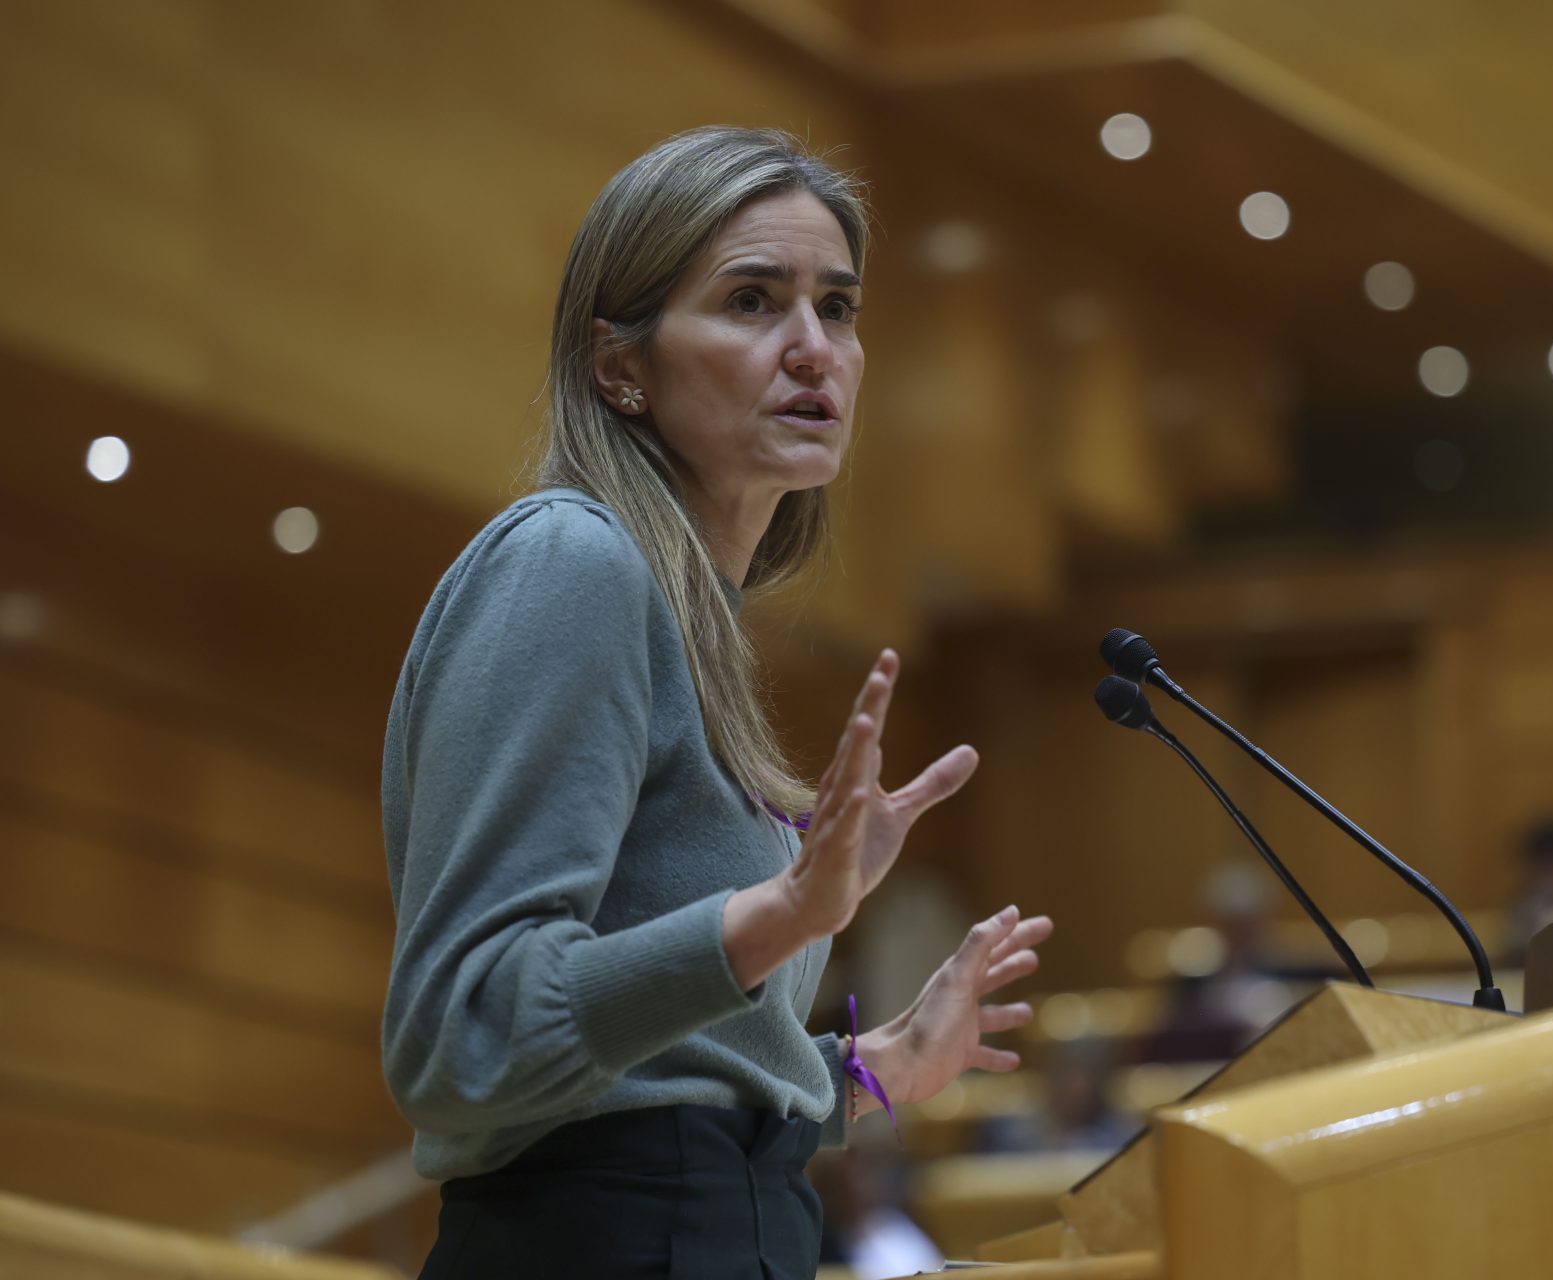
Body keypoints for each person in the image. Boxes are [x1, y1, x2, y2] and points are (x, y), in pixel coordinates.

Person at [379, 126, 1053, 1279]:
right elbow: (468, 1031)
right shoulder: (572, 562)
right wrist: (785, 910)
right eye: (752, 301)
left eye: (837, 309)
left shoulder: (685, 616)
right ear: (618, 363)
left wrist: (872, 1067)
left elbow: (664, 1077)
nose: (814, 349)